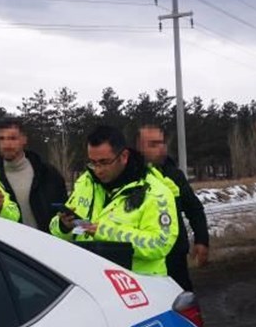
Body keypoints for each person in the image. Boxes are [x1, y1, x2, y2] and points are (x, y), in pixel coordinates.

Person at [50, 125, 178, 277]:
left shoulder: (156, 192)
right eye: (93, 162)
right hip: (90, 281)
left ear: (124, 156)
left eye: (104, 162)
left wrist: (103, 232)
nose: (98, 170)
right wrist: (64, 226)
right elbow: (55, 229)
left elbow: (159, 243)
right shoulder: (86, 183)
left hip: (139, 288)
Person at [137, 124, 210, 291]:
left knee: (183, 306)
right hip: (144, 262)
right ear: (139, 148)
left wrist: (201, 240)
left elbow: (194, 209)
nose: (161, 149)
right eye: (153, 144)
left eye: (162, 143)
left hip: (175, 258)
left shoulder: (174, 175)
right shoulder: (131, 179)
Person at [0, 117, 68, 231]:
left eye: (12, 138)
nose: (6, 144)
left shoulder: (48, 175)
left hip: (44, 246)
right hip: (3, 247)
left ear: (24, 139)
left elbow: (63, 217)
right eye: (1, 139)